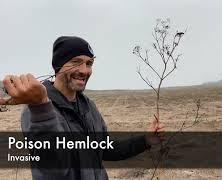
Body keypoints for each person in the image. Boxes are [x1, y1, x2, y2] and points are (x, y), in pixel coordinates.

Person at [0, 36, 164, 180]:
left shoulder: (88, 106)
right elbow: (53, 171)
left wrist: (145, 140)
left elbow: (104, 149)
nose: (85, 70)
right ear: (59, 66)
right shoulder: (36, 111)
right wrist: (41, 108)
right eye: (76, 62)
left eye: (89, 63)